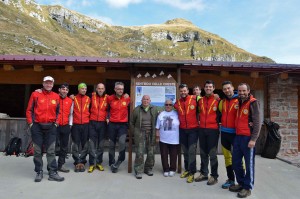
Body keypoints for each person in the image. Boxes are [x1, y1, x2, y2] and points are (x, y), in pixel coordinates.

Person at [26, 76, 64, 182]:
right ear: (43, 84)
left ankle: (53, 173)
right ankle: (39, 172)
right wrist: (31, 124)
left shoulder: (56, 96)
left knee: (51, 151)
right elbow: (29, 110)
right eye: (46, 83)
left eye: (50, 83)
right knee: (37, 151)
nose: (48, 85)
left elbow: (59, 112)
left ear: (53, 84)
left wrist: (56, 123)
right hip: (37, 126)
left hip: (51, 127)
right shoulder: (35, 94)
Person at [229, 83, 261, 198]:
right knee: (236, 163)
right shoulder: (238, 102)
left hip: (248, 138)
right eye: (240, 91)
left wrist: (253, 139)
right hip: (238, 137)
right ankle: (241, 183)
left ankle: (247, 187)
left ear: (248, 91)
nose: (241, 93)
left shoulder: (253, 102)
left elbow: (257, 123)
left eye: (244, 91)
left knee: (249, 164)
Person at [195, 80, 220, 185]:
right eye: (206, 87)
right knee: (203, 152)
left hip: (213, 130)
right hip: (202, 129)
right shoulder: (200, 100)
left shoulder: (218, 100)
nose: (208, 88)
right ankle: (204, 173)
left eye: (210, 87)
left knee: (212, 154)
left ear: (213, 88)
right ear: (204, 88)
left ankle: (214, 176)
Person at [174, 83, 199, 183]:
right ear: (179, 92)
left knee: (191, 151)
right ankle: (188, 170)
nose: (183, 92)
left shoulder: (195, 99)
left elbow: (207, 101)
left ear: (188, 91)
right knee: (185, 150)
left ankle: (192, 172)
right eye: (181, 91)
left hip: (193, 129)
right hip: (183, 130)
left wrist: (216, 96)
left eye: (184, 91)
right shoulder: (177, 103)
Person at [130, 95, 159, 179]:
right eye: (144, 99)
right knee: (139, 152)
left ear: (150, 101)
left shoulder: (154, 109)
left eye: (147, 99)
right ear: (141, 100)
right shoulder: (136, 110)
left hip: (151, 133)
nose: (145, 101)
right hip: (140, 133)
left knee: (151, 153)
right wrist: (134, 132)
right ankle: (138, 171)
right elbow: (131, 122)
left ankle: (148, 169)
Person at [218, 81, 239, 188]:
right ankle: (231, 179)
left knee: (238, 158)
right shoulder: (222, 102)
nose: (227, 90)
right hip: (224, 133)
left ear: (232, 88)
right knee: (227, 157)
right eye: (225, 89)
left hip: (235, 134)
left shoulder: (239, 100)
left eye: (228, 88)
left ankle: (241, 182)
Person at [107, 82, 130, 173]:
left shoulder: (127, 98)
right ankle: (112, 162)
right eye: (118, 89)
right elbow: (106, 109)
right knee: (111, 144)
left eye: (122, 89)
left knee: (121, 142)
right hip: (112, 124)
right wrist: (107, 117)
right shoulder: (109, 98)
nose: (120, 90)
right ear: (115, 89)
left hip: (123, 125)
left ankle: (121, 159)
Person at [156, 99, 180, 177]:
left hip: (174, 138)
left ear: (172, 106)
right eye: (166, 105)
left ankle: (172, 169)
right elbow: (157, 127)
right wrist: (157, 136)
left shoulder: (176, 114)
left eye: (170, 105)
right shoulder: (161, 114)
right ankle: (165, 169)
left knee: (173, 155)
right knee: (164, 154)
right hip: (163, 138)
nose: (168, 106)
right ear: (164, 105)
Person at [88, 83, 108, 173]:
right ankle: (92, 164)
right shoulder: (90, 96)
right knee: (92, 144)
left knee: (100, 145)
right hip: (92, 123)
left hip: (103, 124)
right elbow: (79, 97)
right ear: (96, 89)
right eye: (99, 88)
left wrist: (126, 95)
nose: (100, 90)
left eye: (102, 88)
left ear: (104, 89)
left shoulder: (108, 98)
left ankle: (99, 163)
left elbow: (116, 100)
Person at [71, 83, 90, 172]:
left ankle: (82, 162)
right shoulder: (73, 98)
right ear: (78, 89)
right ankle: (76, 162)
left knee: (85, 144)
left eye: (85, 89)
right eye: (82, 88)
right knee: (75, 144)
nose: (84, 90)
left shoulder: (88, 99)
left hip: (86, 124)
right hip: (76, 124)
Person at [57, 83, 73, 173]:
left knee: (64, 147)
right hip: (55, 125)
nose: (65, 91)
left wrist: (70, 124)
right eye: (63, 89)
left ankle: (61, 164)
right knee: (52, 146)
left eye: (66, 90)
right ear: (59, 90)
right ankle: (51, 165)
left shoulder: (70, 100)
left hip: (66, 125)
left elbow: (71, 114)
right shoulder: (54, 98)